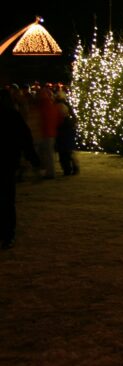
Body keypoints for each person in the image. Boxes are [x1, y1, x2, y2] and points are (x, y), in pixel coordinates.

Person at [1, 89, 40, 249]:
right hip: (8, 162)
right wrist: (34, 159)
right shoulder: (13, 116)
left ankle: (6, 232)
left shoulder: (13, 116)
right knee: (7, 200)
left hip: (7, 161)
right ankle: (8, 233)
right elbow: (25, 138)